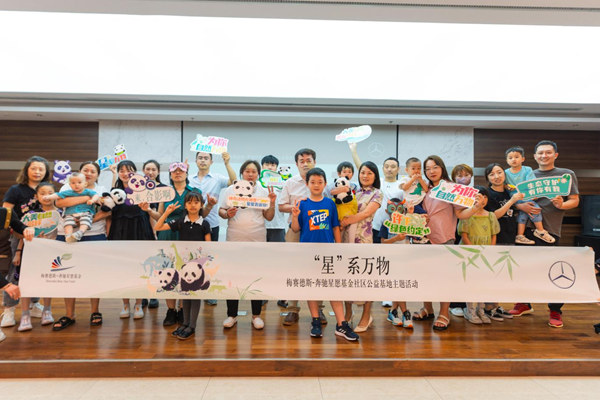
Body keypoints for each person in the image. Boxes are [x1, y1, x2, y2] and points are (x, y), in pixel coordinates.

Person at [508, 140, 579, 328]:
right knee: (523, 268)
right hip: (525, 230)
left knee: (552, 271)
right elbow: (513, 199)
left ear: (556, 155)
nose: (544, 156)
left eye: (548, 152)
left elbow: (574, 200)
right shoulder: (527, 174)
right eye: (540, 153)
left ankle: (555, 309)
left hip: (550, 230)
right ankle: (524, 303)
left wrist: (561, 205)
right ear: (534, 156)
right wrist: (520, 206)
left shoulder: (566, 175)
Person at [413, 155, 483, 331]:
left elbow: (460, 214)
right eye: (428, 169)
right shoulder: (424, 188)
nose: (431, 171)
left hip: (444, 237)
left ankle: (444, 312)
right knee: (425, 275)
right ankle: (428, 308)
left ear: (442, 168)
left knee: (444, 277)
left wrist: (475, 207)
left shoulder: (451, 188)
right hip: (423, 237)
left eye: (435, 167)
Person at [290, 167, 359, 341]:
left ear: (325, 184)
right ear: (307, 184)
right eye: (312, 182)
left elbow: (335, 227)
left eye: (320, 182)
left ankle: (341, 324)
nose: (316, 185)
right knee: (312, 288)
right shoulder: (302, 204)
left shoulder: (330, 203)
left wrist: (339, 248)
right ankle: (315, 321)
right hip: (308, 253)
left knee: (333, 287)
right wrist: (295, 216)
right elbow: (296, 229)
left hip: (328, 253)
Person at [142, 162, 213, 325]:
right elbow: (159, 215)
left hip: (188, 234)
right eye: (175, 171)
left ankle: (182, 309)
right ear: (170, 174)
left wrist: (209, 205)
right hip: (168, 232)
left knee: (185, 271)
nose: (178, 173)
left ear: (187, 174)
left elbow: (202, 214)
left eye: (182, 171)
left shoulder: (195, 191)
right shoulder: (164, 191)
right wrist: (149, 210)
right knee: (167, 270)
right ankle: (170, 310)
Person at [219, 160, 276, 330]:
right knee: (233, 277)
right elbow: (221, 211)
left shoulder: (263, 191)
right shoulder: (231, 189)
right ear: (242, 173)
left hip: (257, 240)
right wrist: (227, 213)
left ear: (258, 174)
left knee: (255, 277)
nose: (250, 174)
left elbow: (269, 217)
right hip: (234, 239)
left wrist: (272, 204)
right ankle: (232, 315)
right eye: (247, 171)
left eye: (254, 171)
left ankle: (256, 315)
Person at [53, 161, 110, 330]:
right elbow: (60, 203)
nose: (89, 173)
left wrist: (87, 220)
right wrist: (86, 198)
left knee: (94, 274)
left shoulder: (102, 189)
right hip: (66, 234)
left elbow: (107, 210)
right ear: (79, 172)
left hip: (94, 234)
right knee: (67, 273)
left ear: (97, 175)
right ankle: (69, 314)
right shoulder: (67, 186)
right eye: (86, 170)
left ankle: (95, 311)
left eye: (93, 171)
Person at [278, 148, 327, 326]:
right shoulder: (290, 183)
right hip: (295, 230)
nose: (305, 164)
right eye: (302, 161)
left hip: (318, 231)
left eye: (309, 160)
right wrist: (297, 208)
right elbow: (281, 206)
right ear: (297, 164)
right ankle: (292, 309)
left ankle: (319, 309)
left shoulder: (323, 182)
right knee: (294, 268)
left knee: (318, 269)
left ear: (315, 162)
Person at [349, 143, 401, 308]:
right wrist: (353, 151)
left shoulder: (399, 186)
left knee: (384, 265)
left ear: (399, 169)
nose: (389, 169)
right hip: (370, 230)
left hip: (385, 231)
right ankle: (353, 307)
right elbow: (362, 167)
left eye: (393, 166)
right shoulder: (357, 191)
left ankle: (386, 296)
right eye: (387, 166)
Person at [154, 192, 211, 340]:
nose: (193, 205)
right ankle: (185, 323)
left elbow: (209, 246)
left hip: (198, 266)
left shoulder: (205, 224)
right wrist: (167, 212)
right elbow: (158, 227)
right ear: (185, 205)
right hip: (183, 264)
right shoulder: (180, 221)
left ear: (201, 205)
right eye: (189, 202)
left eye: (196, 202)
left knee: (195, 295)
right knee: (185, 293)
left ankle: (192, 326)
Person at [1, 156, 50, 328]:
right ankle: (8, 309)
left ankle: (34, 304)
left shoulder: (48, 189)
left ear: (46, 172)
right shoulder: (16, 190)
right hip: (19, 236)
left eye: (41, 169)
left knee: (36, 272)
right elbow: (6, 213)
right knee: (15, 273)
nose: (37, 172)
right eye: (33, 168)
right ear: (26, 170)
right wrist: (17, 230)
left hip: (41, 238)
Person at [108, 160, 155, 321]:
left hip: (139, 230)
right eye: (121, 170)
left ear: (135, 172)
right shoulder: (114, 191)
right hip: (120, 231)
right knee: (123, 269)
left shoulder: (142, 189)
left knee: (139, 268)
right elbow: (109, 215)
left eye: (129, 170)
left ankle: (138, 304)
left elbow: (150, 213)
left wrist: (153, 232)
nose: (125, 173)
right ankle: (125, 304)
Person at [340, 161, 383, 332]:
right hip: (346, 238)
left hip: (363, 239)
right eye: (363, 172)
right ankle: (348, 313)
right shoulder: (352, 191)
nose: (365, 176)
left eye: (369, 173)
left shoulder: (377, 193)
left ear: (375, 176)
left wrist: (347, 220)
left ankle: (366, 315)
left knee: (366, 278)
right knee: (346, 276)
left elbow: (366, 213)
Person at [189, 151, 236, 306]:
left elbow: (233, 181)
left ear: (211, 161)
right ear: (196, 161)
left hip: (212, 224)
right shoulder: (189, 179)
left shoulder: (217, 178)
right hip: (192, 224)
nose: (203, 160)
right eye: (200, 158)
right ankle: (192, 288)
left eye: (206, 158)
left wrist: (227, 164)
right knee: (191, 258)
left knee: (208, 259)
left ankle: (208, 291)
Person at [13, 183, 58, 331]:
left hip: (51, 254)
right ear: (36, 196)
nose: (46, 196)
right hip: (30, 253)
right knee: (26, 283)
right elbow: (21, 235)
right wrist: (18, 252)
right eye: (42, 193)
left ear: (55, 195)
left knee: (48, 281)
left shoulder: (60, 214)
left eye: (50, 193)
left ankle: (47, 311)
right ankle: (25, 315)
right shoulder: (30, 215)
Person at [483, 163, 524, 321]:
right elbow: (494, 215)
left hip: (509, 237)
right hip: (495, 239)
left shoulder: (510, 191)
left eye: (499, 172)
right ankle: (488, 307)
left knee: (501, 275)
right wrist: (511, 201)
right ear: (488, 178)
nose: (496, 176)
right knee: (491, 274)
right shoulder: (489, 194)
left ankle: (496, 305)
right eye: (492, 174)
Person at [457, 186, 500, 325]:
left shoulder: (491, 215)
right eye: (478, 196)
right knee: (470, 282)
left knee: (483, 282)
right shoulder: (466, 214)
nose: (482, 199)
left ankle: (480, 310)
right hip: (469, 253)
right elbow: (464, 235)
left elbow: (493, 235)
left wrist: (489, 251)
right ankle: (470, 310)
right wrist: (474, 252)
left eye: (485, 196)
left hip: (486, 253)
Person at [504, 146, 555, 245]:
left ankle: (520, 235)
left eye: (516, 157)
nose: (513, 159)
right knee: (534, 208)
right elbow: (503, 185)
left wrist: (531, 194)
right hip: (514, 199)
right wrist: (507, 187)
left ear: (523, 159)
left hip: (527, 196)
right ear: (507, 160)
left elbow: (531, 183)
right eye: (510, 158)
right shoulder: (505, 172)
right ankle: (540, 231)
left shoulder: (527, 170)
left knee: (523, 214)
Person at [0, 207, 34, 342]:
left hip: (2, 260)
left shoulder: (5, 213)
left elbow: (18, 226)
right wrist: (6, 285)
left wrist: (27, 229)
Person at [379, 198, 413, 329]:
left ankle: (393, 312)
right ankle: (405, 312)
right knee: (398, 285)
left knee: (399, 285)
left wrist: (410, 214)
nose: (396, 212)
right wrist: (395, 238)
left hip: (405, 258)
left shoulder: (407, 222)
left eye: (399, 209)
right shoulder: (386, 224)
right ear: (387, 211)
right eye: (392, 209)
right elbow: (383, 242)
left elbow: (416, 231)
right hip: (391, 259)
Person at [261, 155, 288, 309]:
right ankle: (262, 294)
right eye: (267, 164)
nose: (270, 167)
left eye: (273, 165)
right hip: (260, 227)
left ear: (277, 168)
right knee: (263, 263)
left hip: (278, 226)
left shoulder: (283, 184)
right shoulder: (257, 184)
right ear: (262, 167)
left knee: (280, 263)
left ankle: (282, 295)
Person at [42, 172, 100, 243]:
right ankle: (68, 236)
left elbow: (96, 195)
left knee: (85, 220)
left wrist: (92, 200)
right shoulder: (69, 192)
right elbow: (58, 195)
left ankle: (80, 233)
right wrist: (49, 197)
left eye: (79, 182)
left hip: (85, 212)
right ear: (70, 184)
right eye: (73, 183)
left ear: (85, 184)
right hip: (70, 213)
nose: (76, 185)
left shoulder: (88, 191)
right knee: (67, 223)